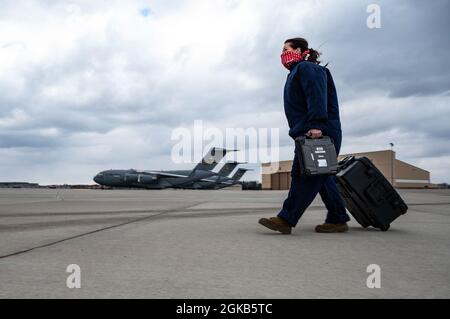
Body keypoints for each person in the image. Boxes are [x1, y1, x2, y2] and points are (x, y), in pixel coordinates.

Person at [259, 37, 350, 235]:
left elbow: (316, 96)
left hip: (317, 131)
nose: (282, 54)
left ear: (299, 50)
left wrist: (316, 125)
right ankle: (338, 217)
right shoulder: (297, 71)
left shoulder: (308, 68)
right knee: (322, 177)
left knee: (304, 175)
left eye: (286, 49)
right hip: (308, 131)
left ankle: (286, 219)